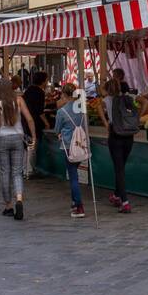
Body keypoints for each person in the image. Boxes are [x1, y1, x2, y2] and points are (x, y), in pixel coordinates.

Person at [0, 76, 37, 219]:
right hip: (17, 138)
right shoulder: (19, 100)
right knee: (17, 172)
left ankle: (8, 205)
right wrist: (33, 136)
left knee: (5, 172)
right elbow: (29, 119)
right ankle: (19, 199)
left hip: (1, 138)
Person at [102, 78, 136, 214]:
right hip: (129, 135)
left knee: (119, 169)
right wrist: (136, 119)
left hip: (115, 135)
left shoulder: (107, 100)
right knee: (121, 167)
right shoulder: (128, 98)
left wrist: (106, 123)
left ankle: (125, 201)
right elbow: (145, 103)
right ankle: (116, 195)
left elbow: (99, 108)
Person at [54, 85, 87, 218]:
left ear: (64, 95)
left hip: (68, 145)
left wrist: (60, 133)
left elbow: (57, 129)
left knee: (73, 176)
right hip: (81, 144)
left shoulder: (62, 112)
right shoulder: (82, 110)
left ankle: (79, 205)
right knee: (75, 173)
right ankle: (75, 202)